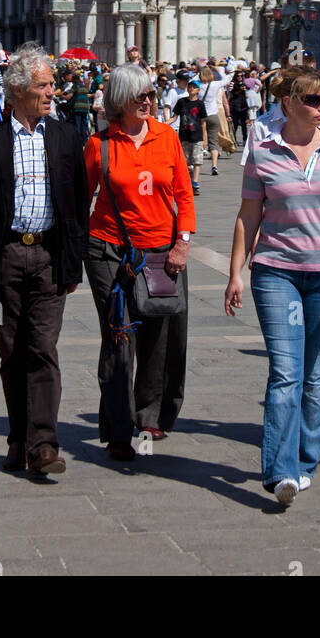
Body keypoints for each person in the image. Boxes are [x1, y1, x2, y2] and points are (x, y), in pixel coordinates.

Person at [225, 69, 320, 504]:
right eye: (312, 99)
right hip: (276, 272)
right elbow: (249, 214)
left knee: (316, 366)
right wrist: (236, 272)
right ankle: (280, 470)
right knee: (286, 371)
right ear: (287, 102)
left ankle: (306, 455)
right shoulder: (263, 151)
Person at [0, 44, 90, 477]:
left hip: (49, 258)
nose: (53, 91)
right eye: (44, 85)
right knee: (11, 351)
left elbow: (78, 204)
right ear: (17, 91)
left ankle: (44, 445)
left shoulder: (67, 137)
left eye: (52, 84)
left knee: (43, 349)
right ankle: (18, 439)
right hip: (4, 260)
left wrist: (73, 263)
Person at [83, 63, 195, 459]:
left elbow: (183, 194)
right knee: (119, 336)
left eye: (150, 93)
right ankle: (117, 428)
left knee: (160, 334)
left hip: (162, 251)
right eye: (139, 96)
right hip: (109, 250)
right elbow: (84, 197)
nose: (148, 100)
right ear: (119, 101)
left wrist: (182, 243)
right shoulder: (100, 145)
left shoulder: (167, 137)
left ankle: (150, 413)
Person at [173, 78, 208, 195]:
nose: (191, 88)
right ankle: (188, 181)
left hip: (197, 136)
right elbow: (174, 117)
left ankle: (195, 183)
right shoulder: (181, 102)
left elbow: (203, 122)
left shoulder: (200, 104)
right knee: (185, 162)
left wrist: (205, 138)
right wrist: (162, 124)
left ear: (198, 90)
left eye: (193, 87)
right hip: (184, 137)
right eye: (189, 86)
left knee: (197, 160)